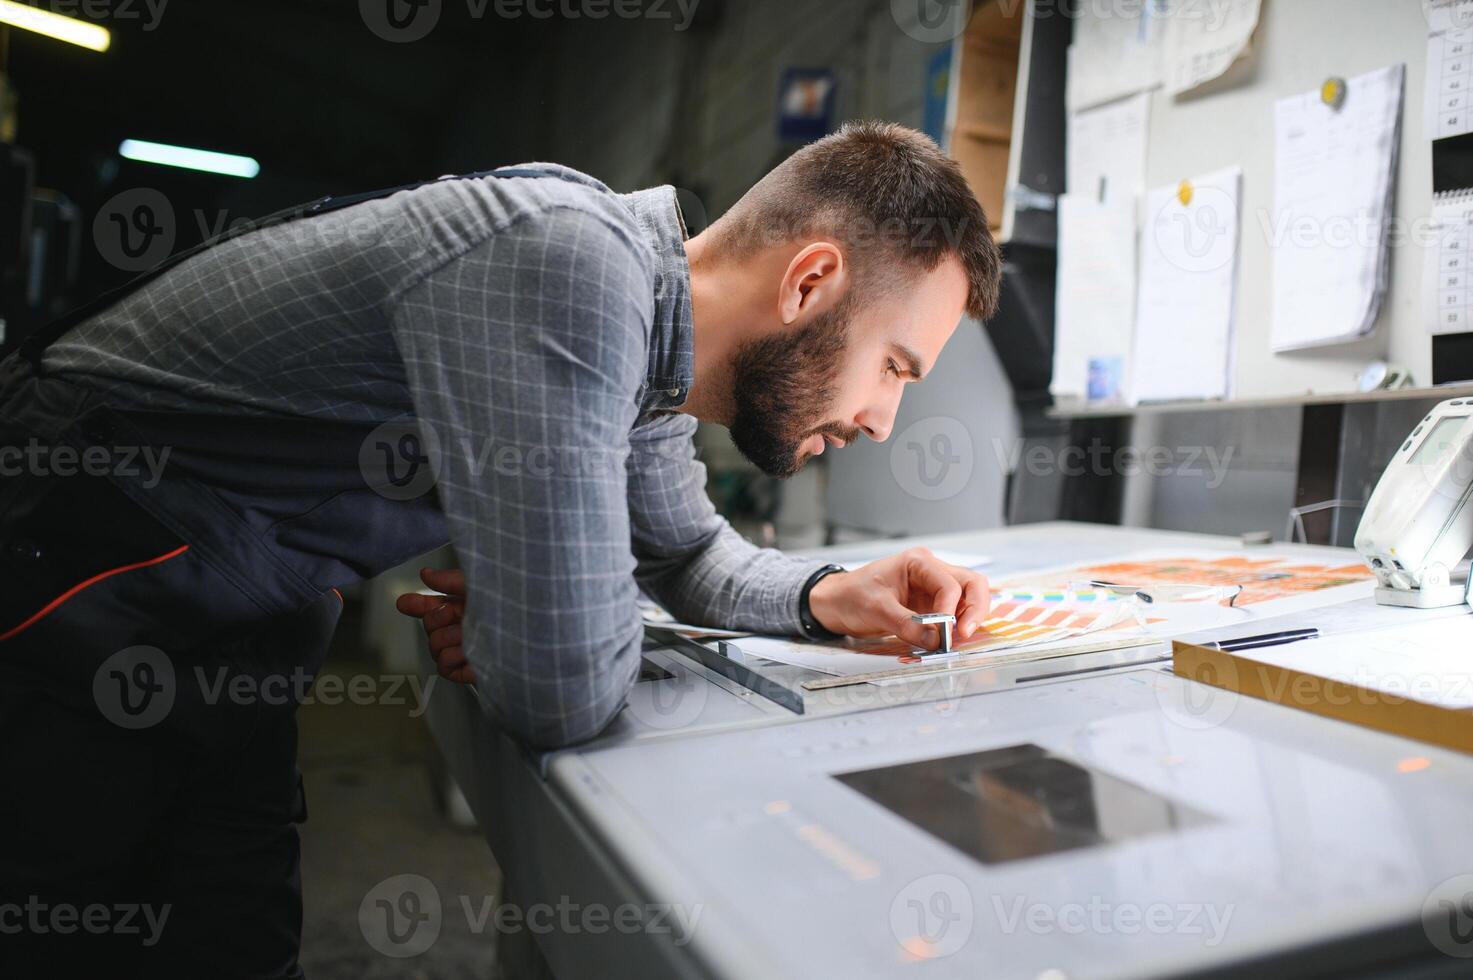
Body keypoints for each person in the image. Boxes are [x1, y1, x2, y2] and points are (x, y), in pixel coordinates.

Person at [0, 120, 1000, 978]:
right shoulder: (566, 263)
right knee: (68, 927)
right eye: (894, 366)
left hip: (245, 606)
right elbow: (562, 682)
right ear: (811, 280)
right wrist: (547, 622)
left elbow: (688, 553)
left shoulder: (648, 347)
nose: (882, 418)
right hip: (87, 546)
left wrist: (828, 590)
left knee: (231, 935)